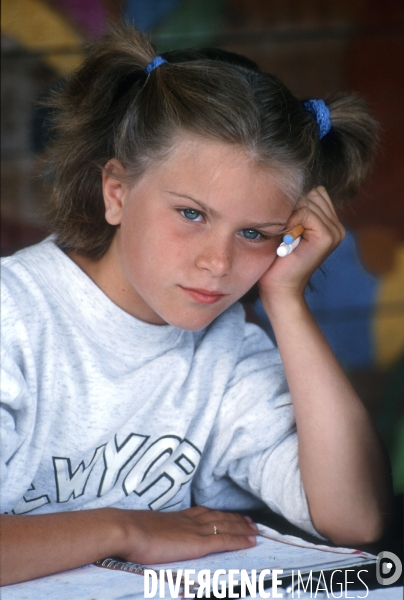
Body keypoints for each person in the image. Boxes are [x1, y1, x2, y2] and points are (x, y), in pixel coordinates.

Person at [0, 24, 392, 586]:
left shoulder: (227, 353)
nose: (219, 262)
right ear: (117, 192)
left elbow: (356, 517)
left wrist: (286, 301)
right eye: (191, 214)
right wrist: (124, 529)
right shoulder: (13, 317)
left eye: (256, 233)